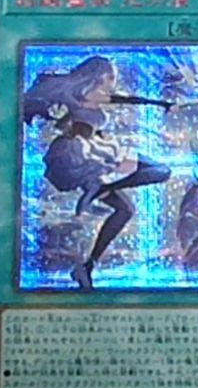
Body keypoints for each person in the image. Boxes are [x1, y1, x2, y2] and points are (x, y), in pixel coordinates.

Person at [24, 56, 172, 290]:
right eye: (110, 77)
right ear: (98, 76)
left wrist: (158, 104)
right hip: (84, 153)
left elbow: (116, 103)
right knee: (160, 171)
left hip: (94, 151)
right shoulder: (91, 95)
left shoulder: (82, 95)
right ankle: (101, 188)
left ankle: (87, 267)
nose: (113, 82)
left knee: (125, 210)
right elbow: (125, 99)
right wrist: (158, 103)